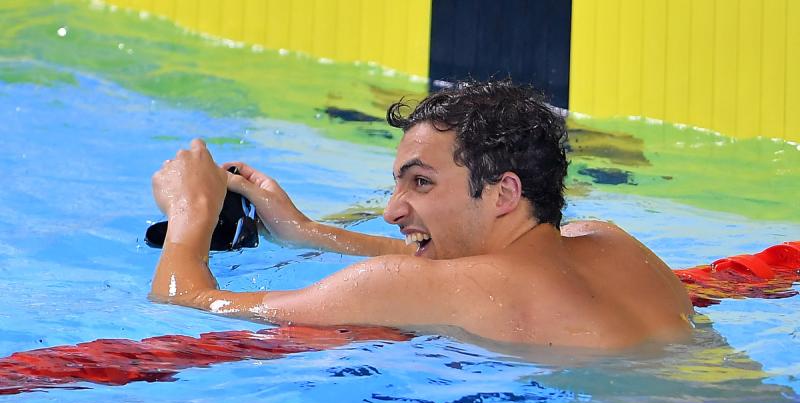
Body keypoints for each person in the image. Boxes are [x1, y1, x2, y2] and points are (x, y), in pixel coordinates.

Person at [151, 80, 693, 349]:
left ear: (504, 194)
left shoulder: (410, 286)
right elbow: (466, 262)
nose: (392, 212)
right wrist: (307, 233)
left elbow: (187, 302)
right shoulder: (615, 245)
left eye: (422, 183)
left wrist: (189, 213)